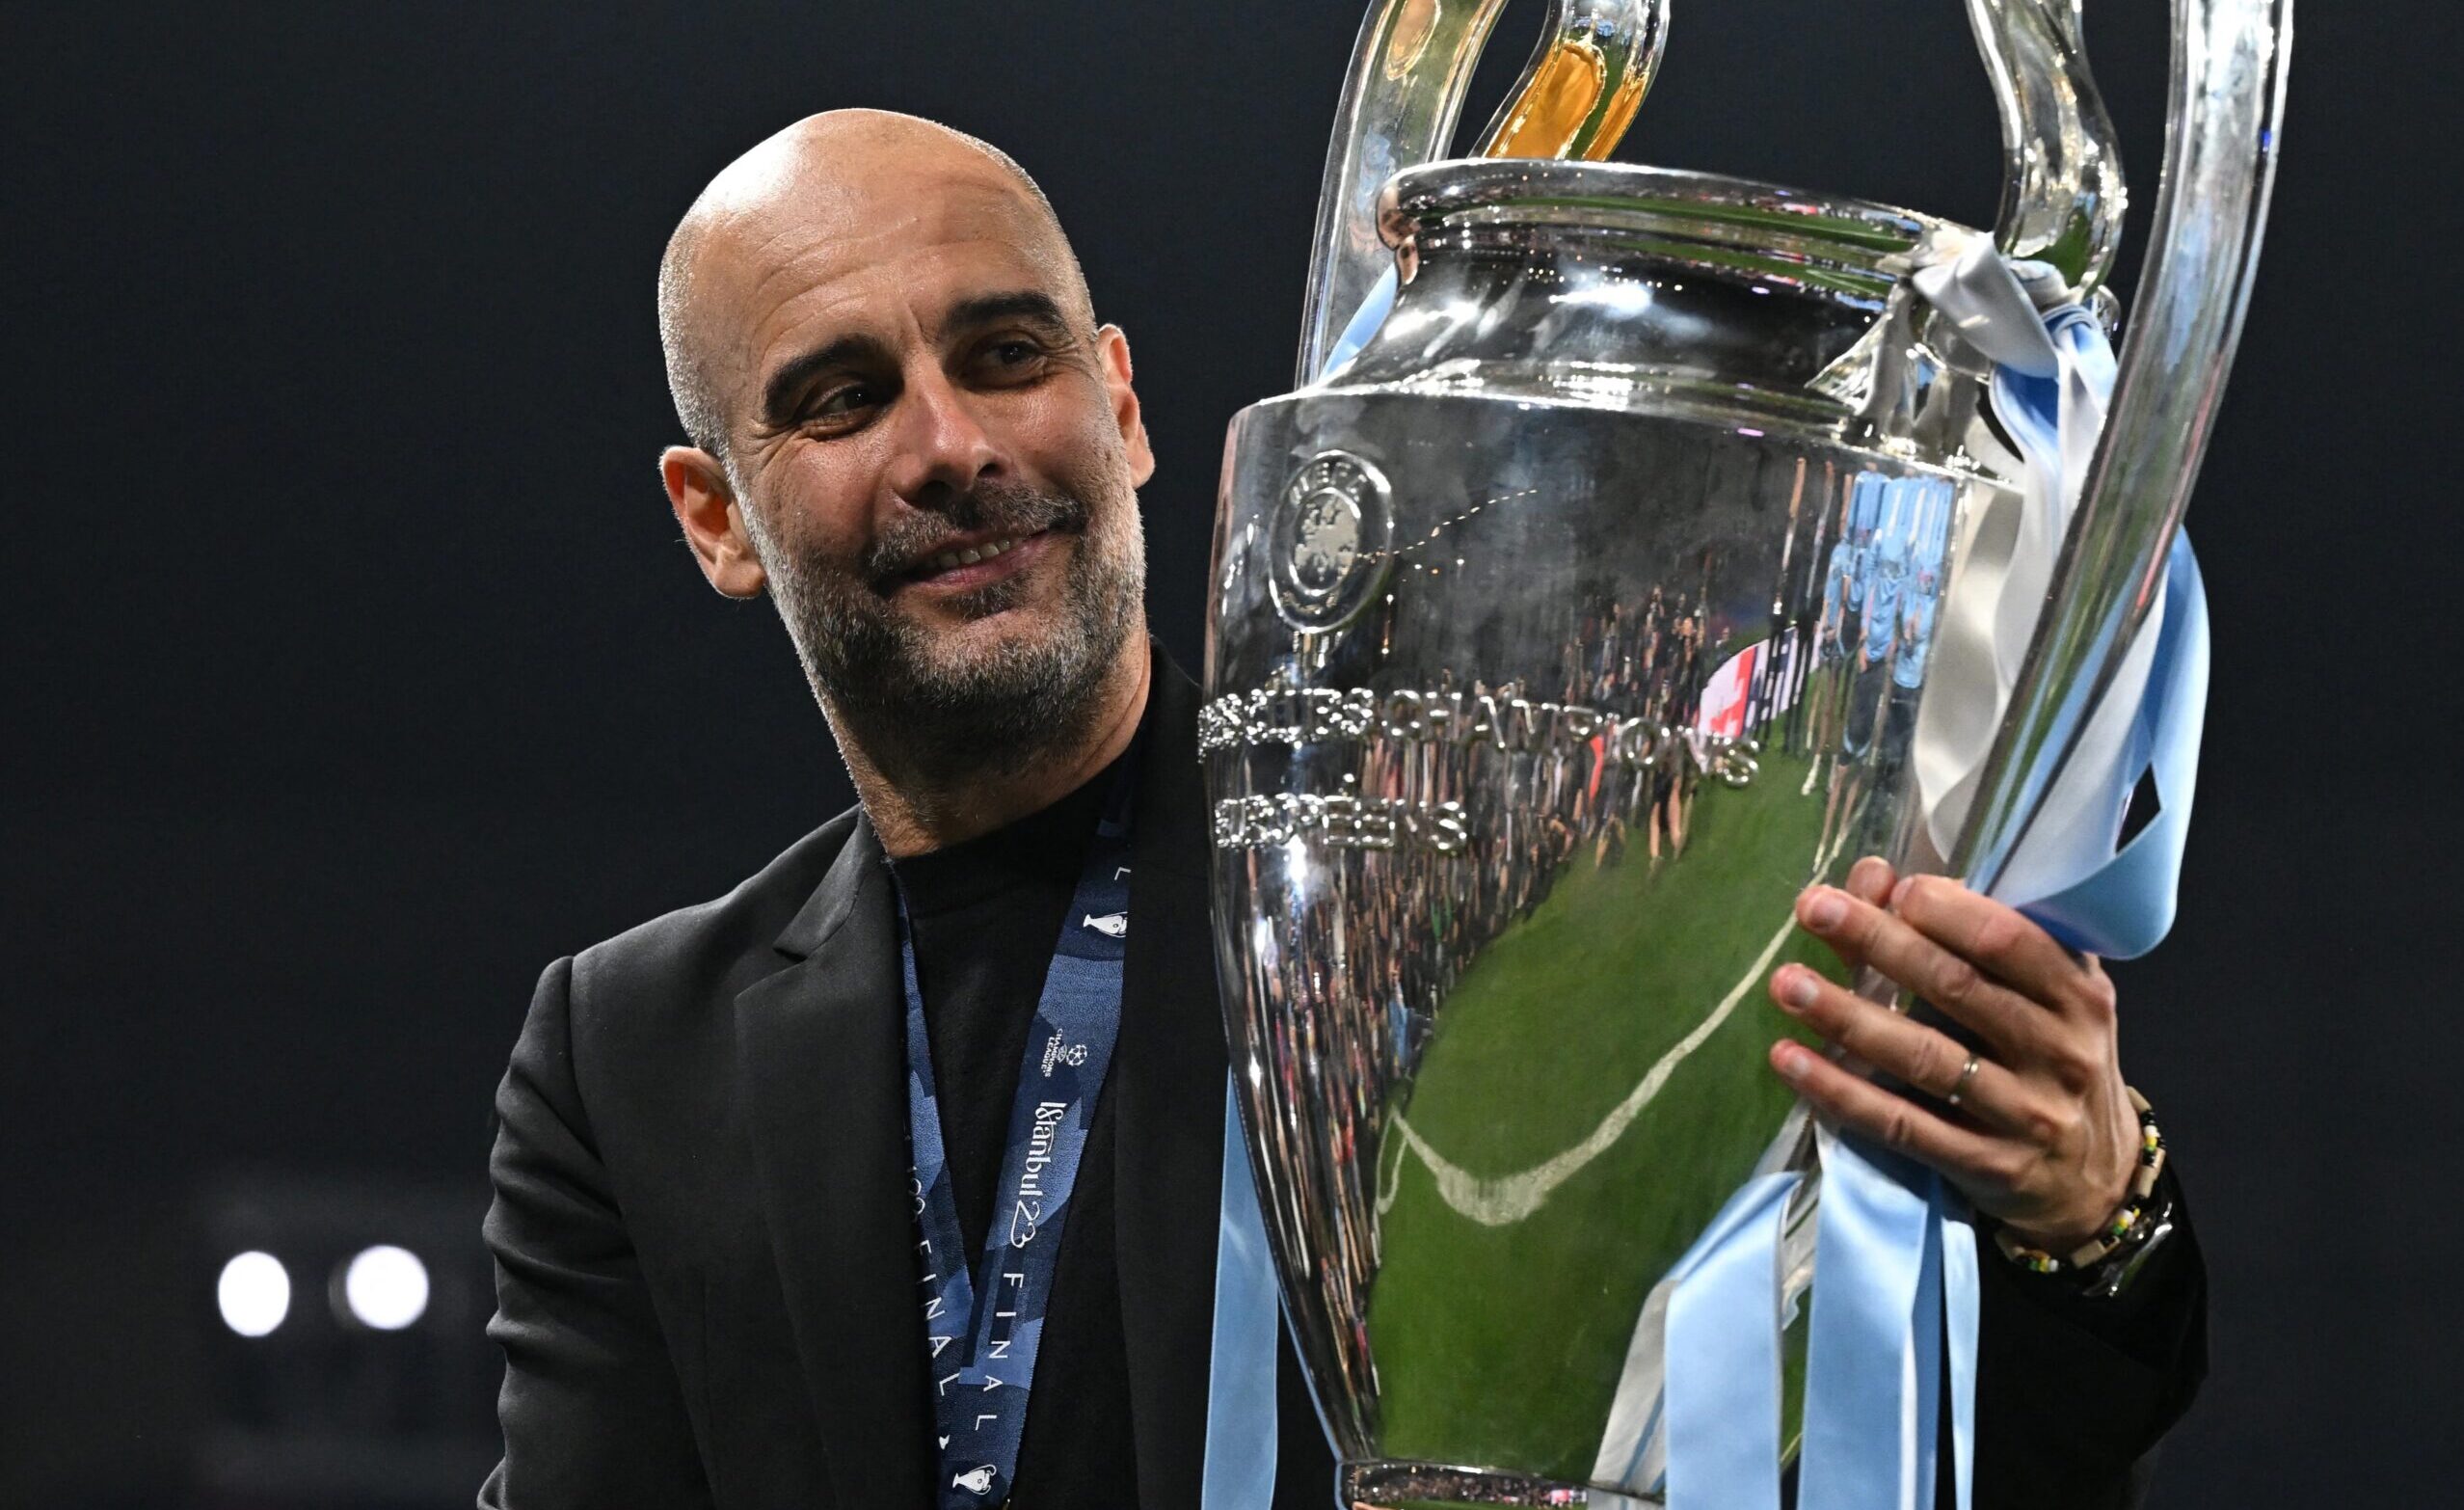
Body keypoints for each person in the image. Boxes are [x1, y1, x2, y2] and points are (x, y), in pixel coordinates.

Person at [480, 110, 2207, 1510]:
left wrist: (2086, 1219)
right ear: (716, 515)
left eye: (1007, 355)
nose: (951, 442)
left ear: (1126, 406)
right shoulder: (628, 1056)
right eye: (844, 397)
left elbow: (1884, 1423)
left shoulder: (1486, 841)